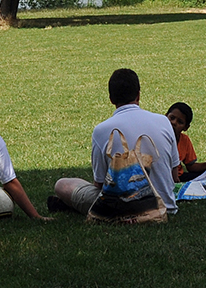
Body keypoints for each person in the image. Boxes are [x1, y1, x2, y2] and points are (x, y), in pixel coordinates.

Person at [52, 69, 180, 219]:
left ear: (111, 99)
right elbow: (173, 173)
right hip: (165, 207)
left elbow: (99, 185)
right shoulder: (163, 121)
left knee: (62, 185)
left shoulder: (102, 130)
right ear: (138, 95)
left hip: (122, 212)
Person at [165, 102, 206, 181]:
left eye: (180, 122)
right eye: (172, 118)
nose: (174, 123)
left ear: (186, 127)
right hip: (162, 177)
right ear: (165, 116)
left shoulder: (184, 140)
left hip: (179, 177)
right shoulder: (157, 136)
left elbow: (190, 166)